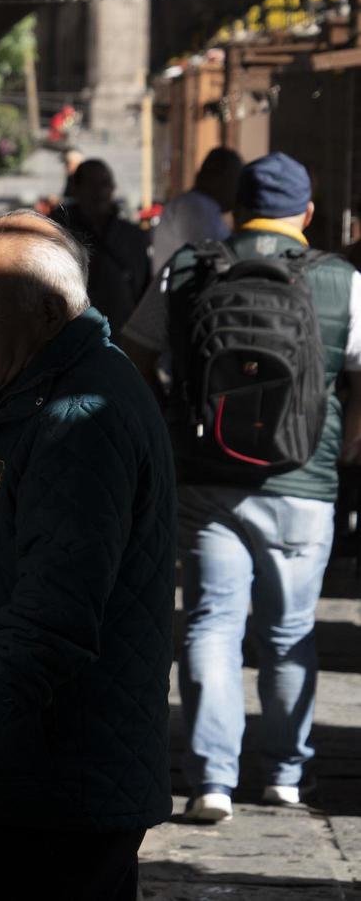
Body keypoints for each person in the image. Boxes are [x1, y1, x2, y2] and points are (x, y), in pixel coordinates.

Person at [0, 210, 175, 901]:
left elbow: (61, 594)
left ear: (47, 314)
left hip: (57, 781)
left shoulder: (79, 414)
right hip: (38, 770)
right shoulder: (44, 395)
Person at [122, 152, 361, 823]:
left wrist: (171, 422)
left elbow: (136, 352)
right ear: (307, 214)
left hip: (205, 479)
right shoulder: (342, 280)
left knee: (210, 624)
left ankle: (211, 782)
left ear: (235, 208)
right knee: (288, 633)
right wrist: (345, 441)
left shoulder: (191, 267)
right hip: (304, 483)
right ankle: (286, 776)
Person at [51, 159, 152, 335]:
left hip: (120, 339)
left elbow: (144, 293)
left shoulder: (131, 236)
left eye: (105, 183)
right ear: (76, 188)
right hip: (69, 341)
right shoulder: (55, 234)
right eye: (91, 184)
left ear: (113, 188)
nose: (99, 191)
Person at [150, 147, 243, 276]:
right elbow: (218, 263)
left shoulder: (198, 206)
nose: (237, 190)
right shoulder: (196, 208)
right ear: (221, 177)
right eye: (235, 181)